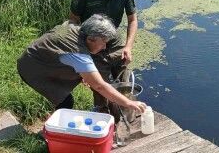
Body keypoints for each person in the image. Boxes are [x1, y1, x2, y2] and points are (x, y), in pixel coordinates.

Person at [17, 14, 146, 119]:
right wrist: (129, 103)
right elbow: (100, 86)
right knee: (66, 102)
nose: (105, 47)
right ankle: (54, 132)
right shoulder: (79, 54)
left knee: (68, 95)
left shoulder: (76, 29)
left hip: (39, 59)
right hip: (31, 68)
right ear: (91, 39)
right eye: (104, 42)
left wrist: (84, 75)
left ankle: (57, 125)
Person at [69, 0, 138, 121]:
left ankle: (125, 112)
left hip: (113, 41)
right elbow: (73, 22)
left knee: (124, 78)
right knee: (100, 85)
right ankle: (103, 114)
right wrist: (83, 56)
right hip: (92, 44)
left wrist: (128, 46)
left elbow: (132, 19)